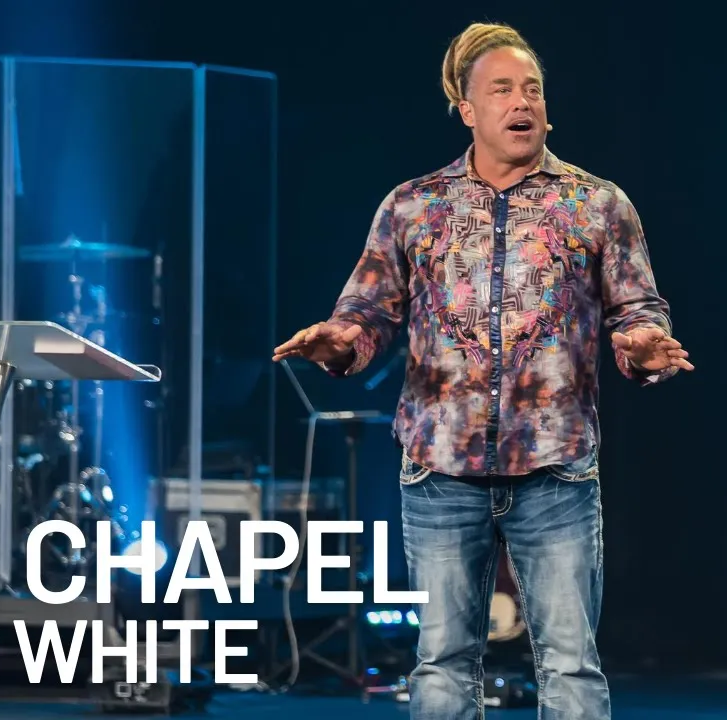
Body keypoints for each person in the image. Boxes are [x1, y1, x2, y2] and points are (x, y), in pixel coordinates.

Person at [272, 21, 692, 719]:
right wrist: (338, 342)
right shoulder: (414, 205)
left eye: (533, 88)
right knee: (441, 665)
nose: (522, 101)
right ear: (467, 109)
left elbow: (635, 308)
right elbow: (367, 310)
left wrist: (645, 345)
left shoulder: (597, 204)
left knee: (571, 665)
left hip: (555, 470)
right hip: (440, 470)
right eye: (502, 89)